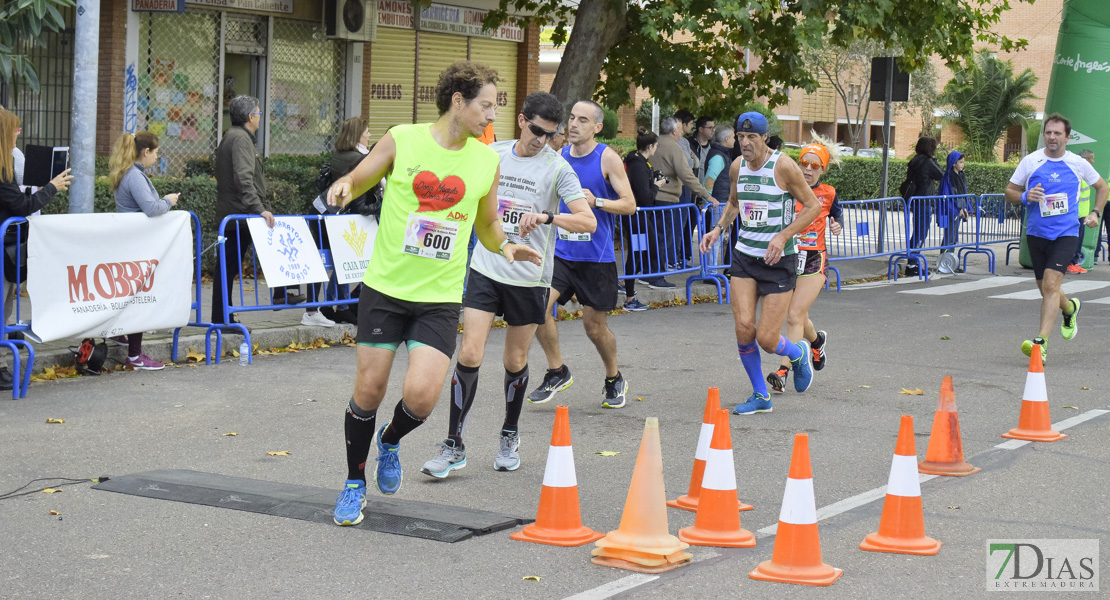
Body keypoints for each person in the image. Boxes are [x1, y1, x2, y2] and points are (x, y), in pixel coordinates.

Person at [324, 61, 542, 526]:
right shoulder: (404, 138)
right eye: (486, 105)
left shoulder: (486, 160)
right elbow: (359, 178)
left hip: (439, 297)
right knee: (369, 388)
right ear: (458, 102)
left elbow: (486, 225)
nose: (492, 116)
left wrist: (507, 245)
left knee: (422, 397)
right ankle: (353, 483)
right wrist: (343, 185)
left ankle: (390, 439)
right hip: (386, 289)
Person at [419, 91, 595, 479]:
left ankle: (509, 434)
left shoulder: (558, 168)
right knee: (468, 352)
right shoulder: (492, 154)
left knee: (514, 361)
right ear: (521, 120)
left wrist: (549, 217)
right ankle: (454, 444)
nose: (541, 140)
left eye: (550, 135)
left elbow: (588, 221)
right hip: (487, 266)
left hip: (529, 277)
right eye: (536, 131)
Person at [698, 112, 820, 415]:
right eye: (741, 136)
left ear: (765, 138)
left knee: (766, 338)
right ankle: (760, 394)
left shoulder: (784, 166)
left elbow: (813, 206)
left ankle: (798, 354)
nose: (745, 142)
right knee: (743, 328)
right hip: (744, 257)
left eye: (752, 137)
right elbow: (736, 203)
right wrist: (718, 229)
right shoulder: (738, 166)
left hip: (779, 260)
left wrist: (783, 236)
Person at [526, 100, 636, 409]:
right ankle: (557, 370)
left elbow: (630, 205)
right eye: (572, 118)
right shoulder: (559, 156)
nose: (574, 124)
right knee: (537, 308)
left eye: (583, 120)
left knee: (594, 327)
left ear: (597, 127)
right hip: (561, 253)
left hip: (596, 258)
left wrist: (597, 201)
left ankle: (614, 378)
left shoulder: (608, 159)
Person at [1004, 113, 1107, 364]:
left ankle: (1041, 343)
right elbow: (1010, 192)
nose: (1052, 137)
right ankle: (1070, 308)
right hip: (1037, 234)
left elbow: (1102, 187)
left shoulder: (1078, 163)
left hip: (1066, 233)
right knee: (1046, 289)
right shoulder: (1031, 161)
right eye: (1048, 132)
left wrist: (1095, 212)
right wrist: (1026, 195)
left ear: (1067, 137)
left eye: (1057, 133)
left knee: (1051, 285)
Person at [211, 95, 301, 325]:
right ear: (250, 117)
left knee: (229, 268)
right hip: (242, 215)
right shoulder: (240, 139)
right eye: (259, 113)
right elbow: (243, 178)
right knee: (233, 266)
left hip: (237, 214)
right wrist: (258, 208)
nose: (261, 117)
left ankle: (278, 296)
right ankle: (223, 318)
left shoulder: (233, 136)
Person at [765, 134, 843, 393]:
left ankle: (784, 369)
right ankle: (816, 340)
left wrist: (836, 224)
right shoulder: (786, 190)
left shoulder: (829, 193)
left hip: (814, 259)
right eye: (804, 163)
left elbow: (837, 215)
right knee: (801, 316)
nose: (808, 169)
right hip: (788, 257)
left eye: (815, 166)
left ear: (824, 169)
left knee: (794, 314)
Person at [0, 108, 72, 389]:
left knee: (5, 308)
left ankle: (3, 366)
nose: (18, 136)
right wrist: (51, 188)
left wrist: (42, 188)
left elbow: (17, 201)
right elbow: (21, 206)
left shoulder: (6, 166)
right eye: (15, 131)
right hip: (3, 247)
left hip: (6, 248)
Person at [108, 131, 181, 370]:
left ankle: (120, 335)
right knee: (139, 297)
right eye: (156, 152)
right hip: (137, 245)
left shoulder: (127, 174)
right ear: (146, 152)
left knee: (131, 295)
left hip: (130, 242)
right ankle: (135, 355)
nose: (157, 157)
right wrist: (169, 201)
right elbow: (151, 208)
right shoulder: (135, 176)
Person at [307, 117, 373, 327]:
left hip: (325, 214)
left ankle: (331, 304)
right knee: (345, 261)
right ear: (357, 135)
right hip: (338, 218)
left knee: (339, 262)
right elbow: (360, 200)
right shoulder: (359, 159)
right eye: (367, 131)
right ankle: (338, 306)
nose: (370, 135)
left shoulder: (341, 155)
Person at [652, 116, 716, 286]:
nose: (681, 132)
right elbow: (687, 174)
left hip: (652, 196)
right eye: (680, 129)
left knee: (656, 237)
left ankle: (650, 272)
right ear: (674, 131)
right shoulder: (674, 148)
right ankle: (656, 275)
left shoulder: (654, 143)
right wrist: (706, 195)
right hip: (667, 198)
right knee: (665, 238)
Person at [623, 129, 666, 311]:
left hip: (638, 217)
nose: (656, 148)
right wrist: (656, 186)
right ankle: (629, 296)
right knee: (637, 252)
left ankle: (627, 286)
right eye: (656, 146)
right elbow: (645, 197)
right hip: (637, 218)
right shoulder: (638, 166)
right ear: (650, 146)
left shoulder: (639, 163)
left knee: (641, 251)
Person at [905, 137, 944, 252]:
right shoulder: (927, 162)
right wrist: (934, 160)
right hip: (925, 200)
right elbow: (940, 175)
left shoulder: (914, 160)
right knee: (921, 233)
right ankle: (913, 262)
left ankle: (912, 260)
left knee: (917, 231)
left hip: (915, 199)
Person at [1067, 149, 1096, 274]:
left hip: (1082, 214)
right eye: (1092, 159)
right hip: (1076, 214)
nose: (1093, 161)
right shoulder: (1077, 175)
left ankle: (1075, 262)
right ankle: (1069, 263)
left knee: (1079, 240)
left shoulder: (1084, 175)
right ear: (1085, 160)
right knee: (1073, 240)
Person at [936, 150, 969, 251]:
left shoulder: (961, 176)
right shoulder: (948, 177)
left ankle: (949, 260)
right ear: (954, 163)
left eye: (963, 162)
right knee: (950, 235)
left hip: (959, 209)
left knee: (953, 236)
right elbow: (948, 195)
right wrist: (956, 209)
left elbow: (963, 193)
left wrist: (965, 207)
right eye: (960, 162)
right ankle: (945, 261)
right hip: (951, 210)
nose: (962, 164)